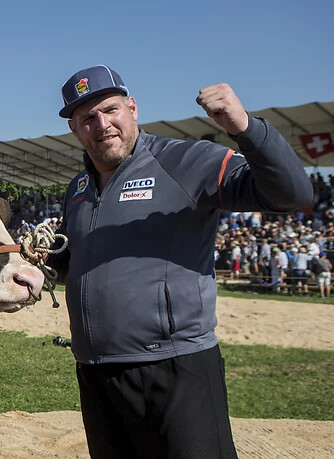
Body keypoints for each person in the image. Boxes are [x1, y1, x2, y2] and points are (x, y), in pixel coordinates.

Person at [48, 65, 312, 458]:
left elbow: (292, 194)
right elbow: (76, 266)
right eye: (87, 118)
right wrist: (39, 269)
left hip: (175, 368)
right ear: (75, 129)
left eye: (111, 109)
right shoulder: (78, 188)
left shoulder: (187, 161)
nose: (101, 124)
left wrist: (246, 129)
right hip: (96, 373)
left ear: (133, 108)